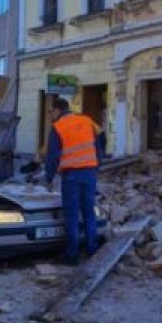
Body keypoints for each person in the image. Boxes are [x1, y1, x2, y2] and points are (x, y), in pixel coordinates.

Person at [44, 98, 104, 265]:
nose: (51, 115)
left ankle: (72, 255)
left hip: (71, 175)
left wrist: (48, 178)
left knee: (71, 214)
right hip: (90, 173)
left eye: (51, 112)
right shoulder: (87, 121)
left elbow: (53, 156)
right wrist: (97, 165)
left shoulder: (58, 127)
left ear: (57, 110)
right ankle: (92, 249)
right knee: (89, 211)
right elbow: (98, 144)